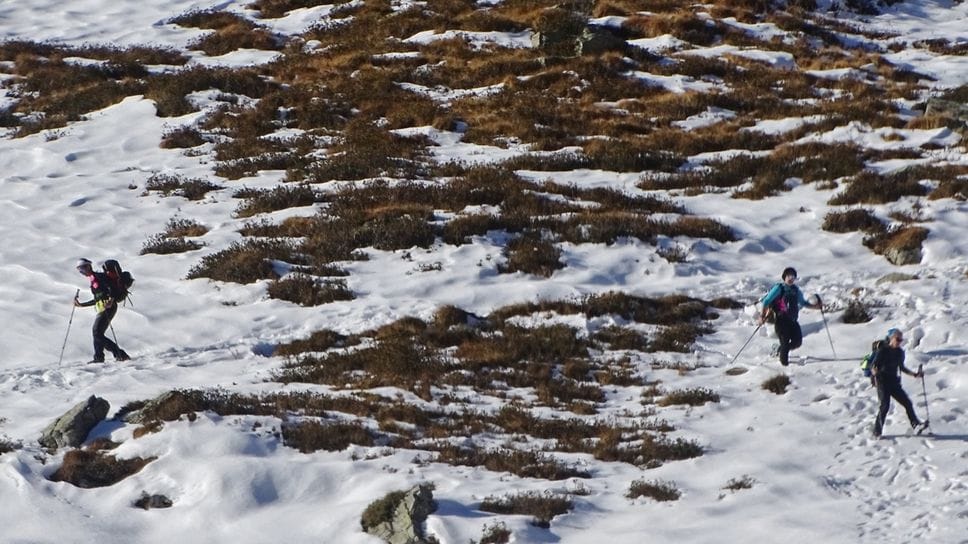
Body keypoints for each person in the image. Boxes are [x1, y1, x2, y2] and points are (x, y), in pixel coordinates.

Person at [757, 267, 822, 366]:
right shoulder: (779, 288)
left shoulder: (796, 290)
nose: (791, 278)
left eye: (793, 276)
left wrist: (815, 307)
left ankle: (779, 349)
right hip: (781, 321)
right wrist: (762, 316)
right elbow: (766, 301)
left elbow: (803, 303)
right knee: (785, 343)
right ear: (784, 277)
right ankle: (784, 367)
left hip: (793, 321)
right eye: (789, 276)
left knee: (797, 342)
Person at [870, 328, 926, 438]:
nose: (900, 341)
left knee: (907, 403)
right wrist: (875, 373)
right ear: (891, 338)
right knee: (884, 406)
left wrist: (915, 374)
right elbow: (874, 365)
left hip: (894, 382)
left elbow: (901, 367)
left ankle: (916, 425)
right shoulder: (883, 350)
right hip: (882, 382)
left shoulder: (900, 352)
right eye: (898, 339)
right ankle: (877, 431)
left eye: (901, 339)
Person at [74, 258, 129, 363]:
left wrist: (111, 301)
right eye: (80, 269)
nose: (82, 272)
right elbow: (97, 298)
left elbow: (111, 289)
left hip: (109, 307)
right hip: (103, 307)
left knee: (97, 332)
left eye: (83, 268)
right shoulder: (93, 279)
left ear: (89, 266)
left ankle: (119, 354)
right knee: (97, 333)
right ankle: (100, 357)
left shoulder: (99, 277)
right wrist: (82, 305)